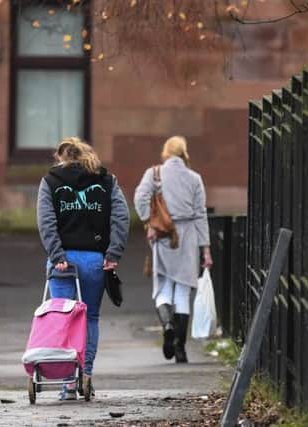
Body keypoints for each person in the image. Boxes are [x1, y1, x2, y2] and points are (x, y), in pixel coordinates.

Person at [37, 137, 130, 399]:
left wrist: (56, 255)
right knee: (90, 317)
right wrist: (113, 253)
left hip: (63, 260)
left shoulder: (50, 181)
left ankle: (68, 383)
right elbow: (121, 217)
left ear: (60, 157)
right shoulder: (107, 181)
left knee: (65, 319)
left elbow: (46, 221)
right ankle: (85, 374)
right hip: (94, 260)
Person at [133, 136, 212, 363]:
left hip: (162, 234)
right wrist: (205, 249)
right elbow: (200, 214)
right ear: (184, 153)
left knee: (163, 287)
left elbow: (140, 197)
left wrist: (149, 221)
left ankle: (167, 325)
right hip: (187, 236)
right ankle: (180, 347)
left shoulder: (154, 173)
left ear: (166, 152)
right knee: (184, 290)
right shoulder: (194, 178)